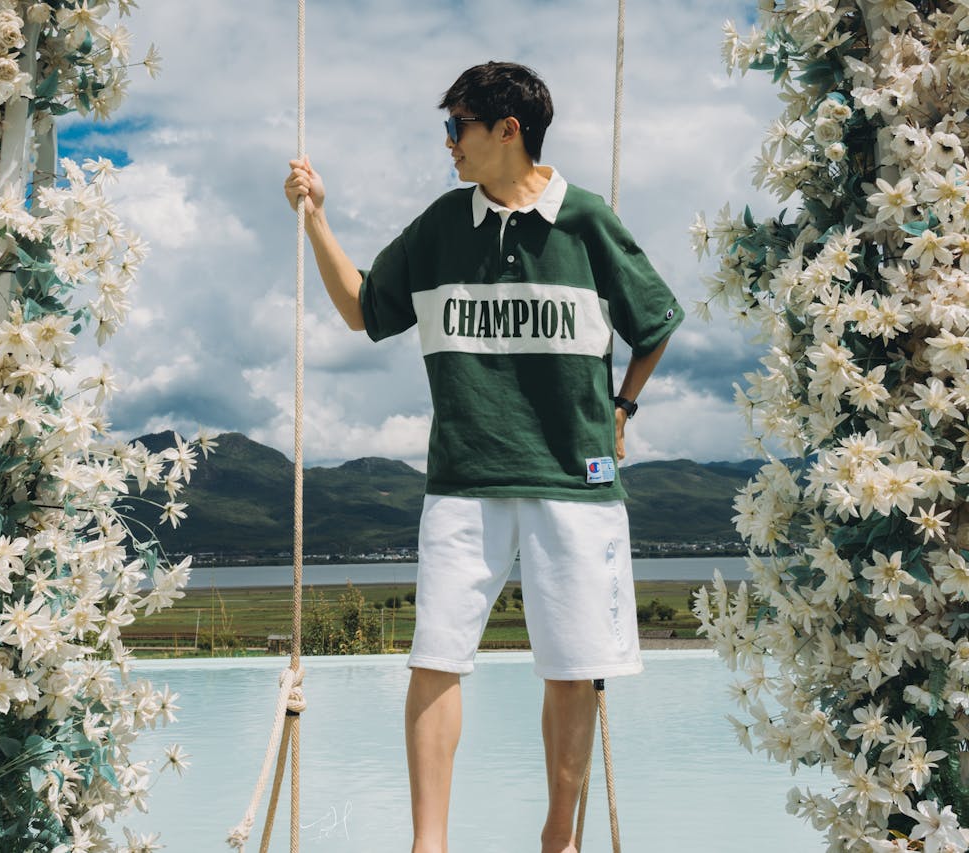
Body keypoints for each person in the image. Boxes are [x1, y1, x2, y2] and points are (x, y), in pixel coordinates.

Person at [283, 61, 681, 853]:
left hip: (575, 481)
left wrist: (623, 405)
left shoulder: (588, 223)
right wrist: (316, 219)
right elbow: (365, 310)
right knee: (435, 656)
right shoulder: (440, 226)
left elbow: (658, 319)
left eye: (457, 126)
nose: (448, 143)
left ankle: (558, 839)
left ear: (508, 130)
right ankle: (428, 845)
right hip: (463, 477)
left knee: (572, 667)